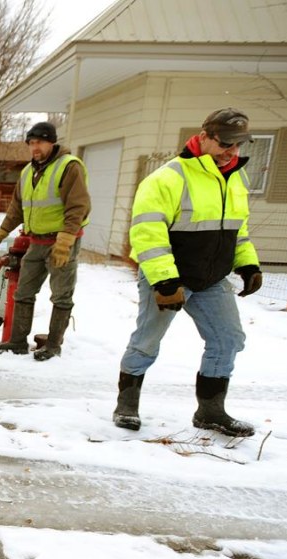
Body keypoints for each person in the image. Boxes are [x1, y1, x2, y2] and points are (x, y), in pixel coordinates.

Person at [112, 108, 262, 437]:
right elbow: (147, 234)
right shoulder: (168, 178)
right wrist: (165, 280)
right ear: (204, 137)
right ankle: (127, 404)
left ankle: (210, 411)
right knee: (147, 341)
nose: (231, 152)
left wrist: (247, 263)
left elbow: (239, 229)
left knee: (229, 339)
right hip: (168, 276)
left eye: (238, 145)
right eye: (225, 143)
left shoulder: (236, 178)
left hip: (211, 279)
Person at [0, 121, 91, 361]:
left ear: (51, 142)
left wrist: (64, 243)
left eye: (39, 142)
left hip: (62, 242)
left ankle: (53, 345)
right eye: (31, 143)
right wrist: (0, 234)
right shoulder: (27, 172)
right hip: (36, 242)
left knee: (61, 295)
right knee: (23, 292)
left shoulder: (69, 167)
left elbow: (78, 207)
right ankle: (18, 341)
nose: (35, 147)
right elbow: (16, 208)